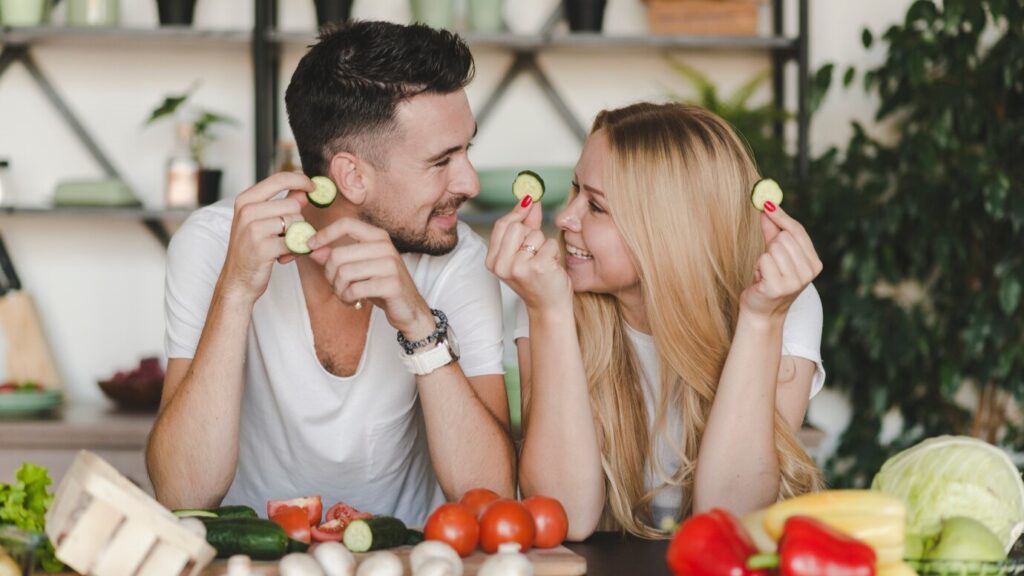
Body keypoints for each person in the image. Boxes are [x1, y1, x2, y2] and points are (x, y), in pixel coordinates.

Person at [147, 21, 515, 526]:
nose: (469, 182)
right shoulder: (211, 244)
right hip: (259, 562)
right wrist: (233, 292)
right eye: (442, 161)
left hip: (412, 559)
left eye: (467, 150)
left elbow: (491, 495)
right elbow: (181, 493)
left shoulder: (458, 260)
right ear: (351, 176)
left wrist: (419, 324)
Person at [488, 102, 825, 539]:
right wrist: (547, 312)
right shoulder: (547, 291)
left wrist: (761, 322)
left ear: (668, 230)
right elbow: (564, 514)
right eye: (575, 191)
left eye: (598, 207)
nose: (564, 217)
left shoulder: (784, 299)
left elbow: (731, 517)